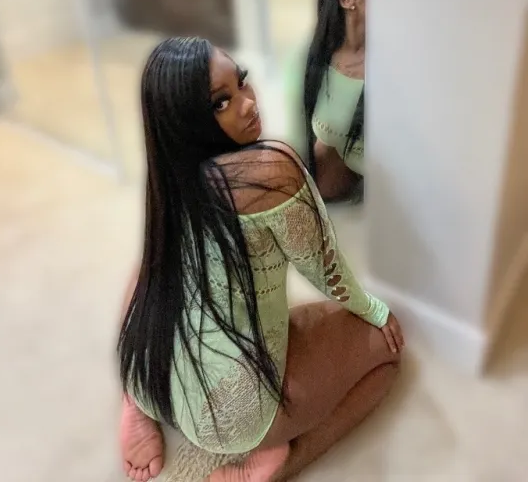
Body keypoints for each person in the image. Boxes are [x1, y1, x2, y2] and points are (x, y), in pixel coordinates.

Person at [117, 36, 403, 482]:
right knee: (387, 354)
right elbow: (326, 270)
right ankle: (277, 462)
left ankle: (135, 403)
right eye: (221, 102)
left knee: (149, 267)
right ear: (188, 121)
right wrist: (374, 310)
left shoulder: (168, 179)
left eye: (242, 82)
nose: (248, 103)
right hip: (232, 413)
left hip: (148, 368)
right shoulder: (271, 171)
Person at [285, 0, 366, 202]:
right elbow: (299, 136)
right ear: (347, 0)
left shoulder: (395, 64)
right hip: (331, 198)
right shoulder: (312, 60)